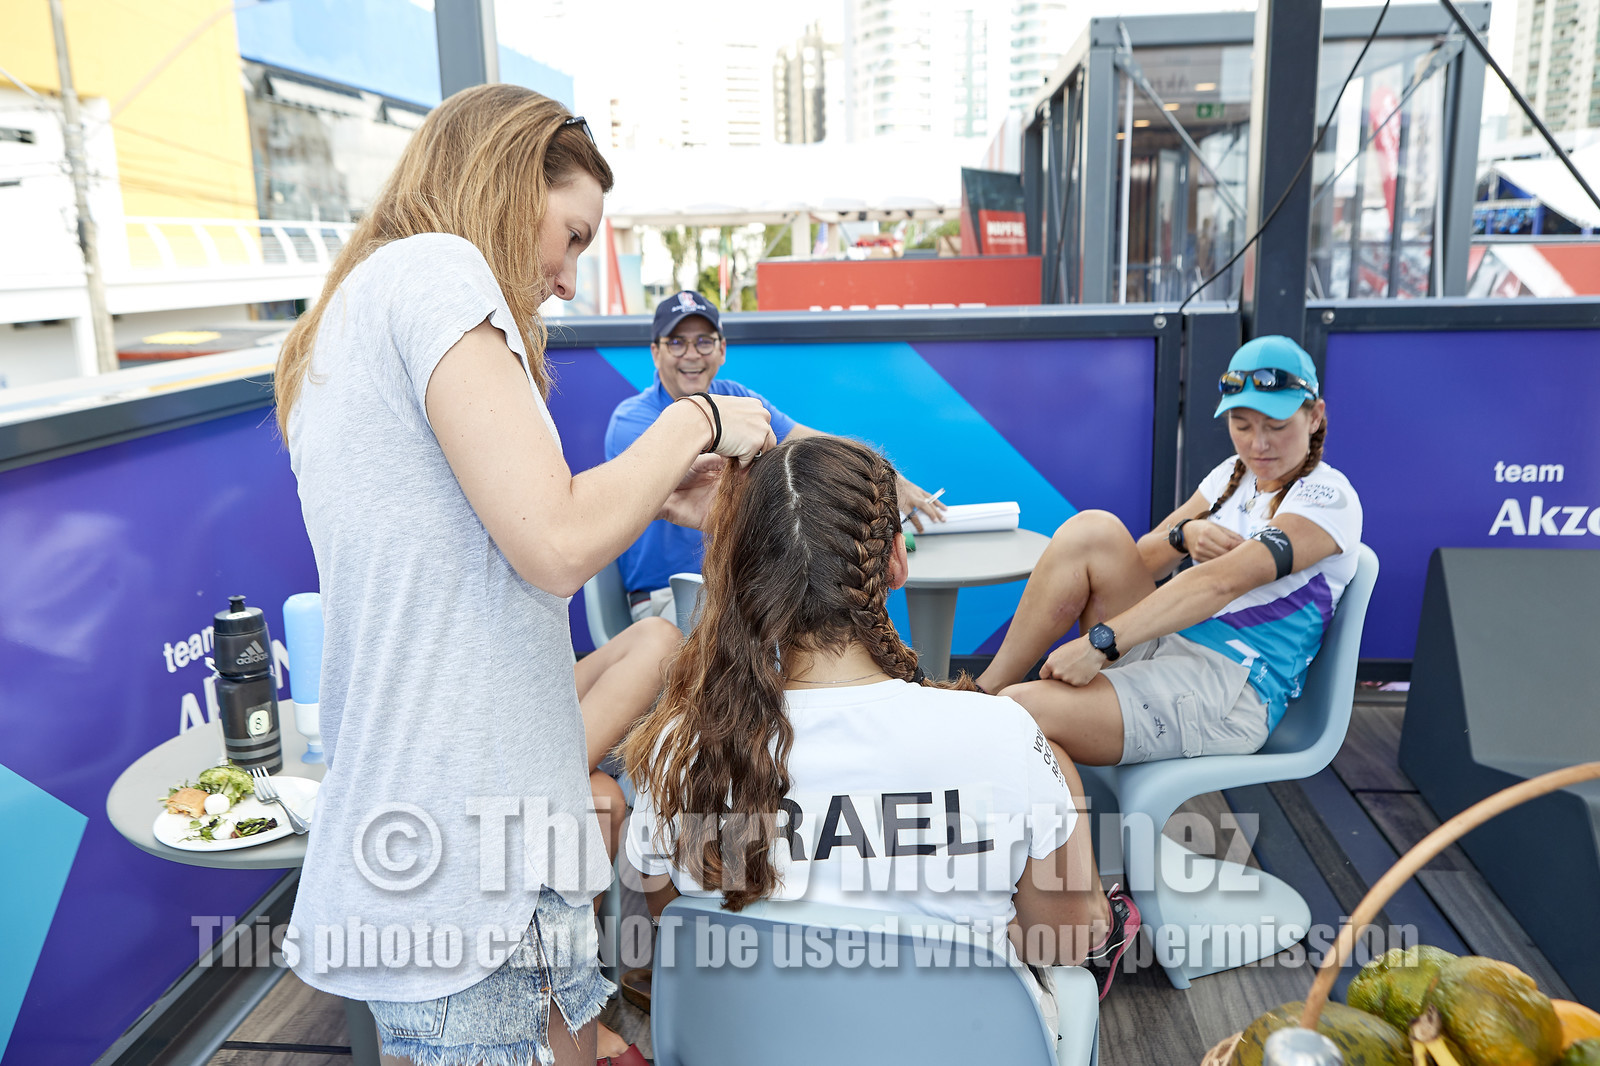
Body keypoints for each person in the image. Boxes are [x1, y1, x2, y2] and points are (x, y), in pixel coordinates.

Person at [273, 85, 776, 1066]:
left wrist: (652, 491)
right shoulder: (435, 271)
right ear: (508, 183)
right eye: (574, 234)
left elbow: (485, 536)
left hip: (494, 836)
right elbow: (551, 539)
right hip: (463, 859)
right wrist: (700, 419)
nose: (569, 274)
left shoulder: (355, 313)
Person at [618, 434, 1142, 1015]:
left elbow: (680, 926)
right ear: (895, 560)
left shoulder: (678, 751)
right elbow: (1066, 940)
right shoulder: (1005, 735)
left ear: (746, 576)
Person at [975, 335, 1363, 771]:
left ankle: (1058, 823)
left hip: (1232, 687)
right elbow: (1139, 560)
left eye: (1276, 425)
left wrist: (1100, 644)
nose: (1258, 445)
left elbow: (1222, 581)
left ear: (1315, 417)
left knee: (1020, 711)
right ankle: (978, 694)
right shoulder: (1231, 475)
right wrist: (1184, 536)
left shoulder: (1327, 498)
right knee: (1092, 530)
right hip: (1171, 643)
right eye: (1242, 424)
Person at [604, 291, 948, 621]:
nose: (692, 354)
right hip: (669, 595)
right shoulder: (633, 421)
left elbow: (808, 442)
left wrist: (886, 476)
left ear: (722, 350)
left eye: (704, 341)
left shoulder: (735, 397)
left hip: (739, 584)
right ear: (655, 353)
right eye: (676, 342)